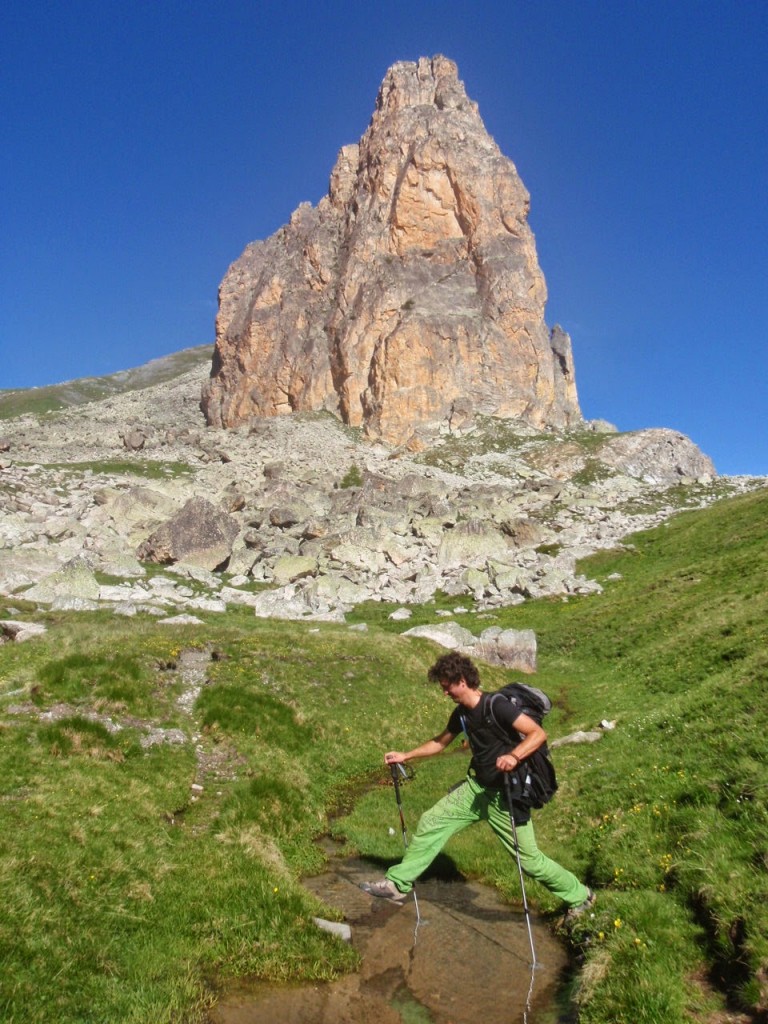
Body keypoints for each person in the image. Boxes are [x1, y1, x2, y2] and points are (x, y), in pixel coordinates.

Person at [360, 652, 595, 918]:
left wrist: (514, 755)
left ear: (462, 681)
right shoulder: (461, 714)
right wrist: (406, 755)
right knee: (431, 821)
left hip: (505, 797)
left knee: (529, 861)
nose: (445, 692)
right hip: (476, 789)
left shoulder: (497, 705)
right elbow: (440, 742)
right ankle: (397, 884)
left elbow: (538, 734)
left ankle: (580, 896)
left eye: (447, 687)